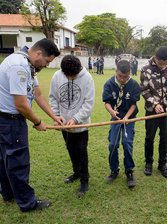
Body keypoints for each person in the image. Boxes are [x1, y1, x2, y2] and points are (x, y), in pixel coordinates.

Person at [0, 38, 64, 212]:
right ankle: (27, 203)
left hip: (8, 120)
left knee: (5, 159)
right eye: (47, 61)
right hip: (10, 121)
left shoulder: (28, 64)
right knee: (17, 161)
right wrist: (38, 122)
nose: (47, 65)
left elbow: (38, 94)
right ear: (38, 53)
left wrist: (53, 116)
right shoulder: (19, 66)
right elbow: (21, 104)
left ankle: (8, 194)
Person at [49, 55, 95, 197]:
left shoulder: (87, 78)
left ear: (79, 69)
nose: (70, 78)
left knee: (81, 151)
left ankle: (84, 180)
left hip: (81, 126)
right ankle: (76, 172)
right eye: (67, 76)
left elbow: (88, 104)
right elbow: (53, 98)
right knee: (70, 149)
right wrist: (57, 117)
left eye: (73, 76)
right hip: (64, 125)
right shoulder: (57, 76)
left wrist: (75, 119)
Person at [140, 46, 167, 178]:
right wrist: (155, 103)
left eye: (165, 64)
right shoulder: (145, 69)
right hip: (152, 111)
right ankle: (148, 163)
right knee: (149, 138)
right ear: (155, 58)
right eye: (160, 63)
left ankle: (162, 164)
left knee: (165, 139)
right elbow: (144, 90)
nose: (163, 66)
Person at [102, 60, 141, 188]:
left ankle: (129, 171)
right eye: (120, 76)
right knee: (112, 144)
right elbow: (107, 102)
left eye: (126, 76)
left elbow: (133, 104)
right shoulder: (109, 84)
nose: (123, 79)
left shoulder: (134, 84)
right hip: (116, 118)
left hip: (129, 119)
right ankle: (114, 169)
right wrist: (112, 112)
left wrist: (127, 117)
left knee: (126, 143)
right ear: (116, 72)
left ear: (130, 73)